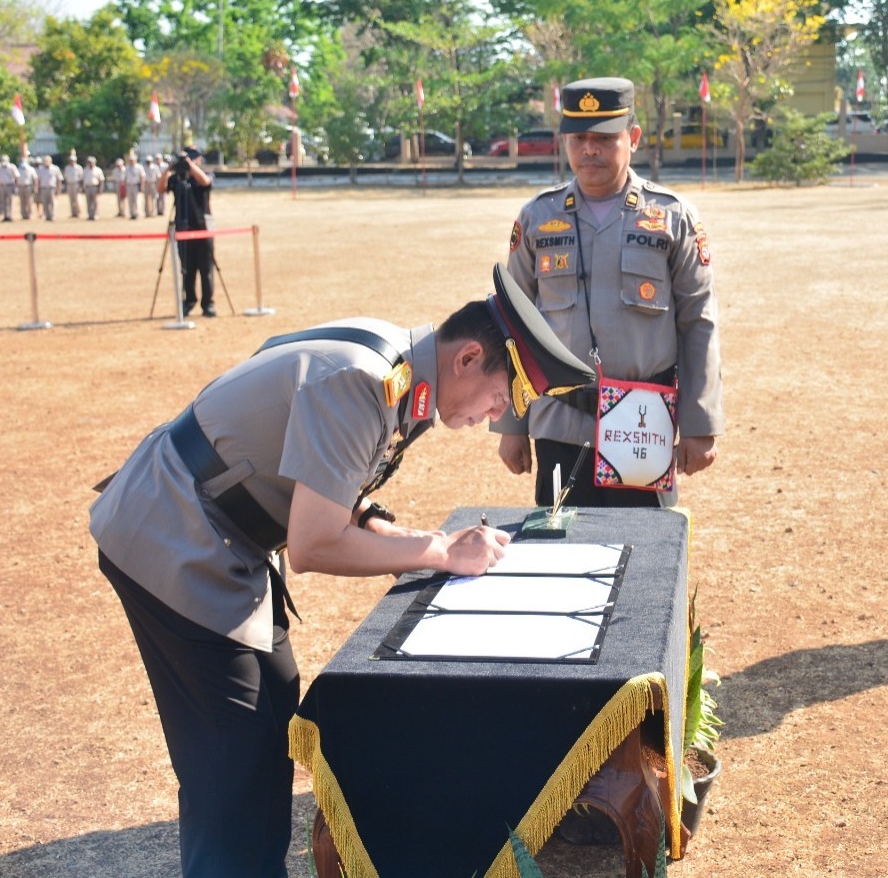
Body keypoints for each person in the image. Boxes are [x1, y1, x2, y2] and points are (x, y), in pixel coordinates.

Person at [91, 265, 594, 878]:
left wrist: (390, 530)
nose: (494, 416)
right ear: (467, 358)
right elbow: (313, 544)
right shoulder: (364, 381)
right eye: (502, 397)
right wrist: (438, 551)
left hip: (217, 536)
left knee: (271, 715)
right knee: (233, 760)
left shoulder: (397, 366)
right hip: (172, 534)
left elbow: (319, 466)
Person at [493, 76, 724, 509]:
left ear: (632, 138)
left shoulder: (672, 218)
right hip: (558, 425)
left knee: (645, 559)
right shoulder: (538, 218)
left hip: (642, 422)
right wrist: (512, 423)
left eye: (603, 138)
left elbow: (698, 323)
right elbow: (512, 325)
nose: (589, 150)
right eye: (578, 138)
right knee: (559, 555)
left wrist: (700, 422)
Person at [160, 146, 215, 316]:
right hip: (183, 229)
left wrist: (190, 165)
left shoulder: (202, 176)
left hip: (202, 229)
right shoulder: (177, 179)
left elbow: (206, 182)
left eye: (192, 158)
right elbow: (160, 189)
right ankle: (189, 301)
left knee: (206, 269)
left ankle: (208, 304)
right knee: (187, 269)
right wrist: (169, 169)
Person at [36, 155, 62, 221]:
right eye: (45, 161)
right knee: (45, 202)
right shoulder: (41, 169)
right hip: (43, 188)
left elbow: (59, 179)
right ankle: (47, 216)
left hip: (52, 188)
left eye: (47, 161)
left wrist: (58, 189)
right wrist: (37, 188)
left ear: (51, 161)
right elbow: (38, 180)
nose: (46, 162)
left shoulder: (55, 168)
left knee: (52, 202)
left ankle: (52, 215)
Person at [124, 151, 146, 219]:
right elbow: (125, 177)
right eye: (130, 160)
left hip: (136, 185)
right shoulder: (127, 167)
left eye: (132, 160)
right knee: (130, 201)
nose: (131, 161)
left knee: (137, 200)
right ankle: (131, 214)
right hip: (129, 185)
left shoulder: (139, 167)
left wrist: (142, 186)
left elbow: (142, 177)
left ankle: (136, 213)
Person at [63, 150, 84, 218]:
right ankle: (73, 212)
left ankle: (78, 212)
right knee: (71, 199)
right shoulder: (67, 168)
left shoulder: (78, 168)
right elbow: (66, 177)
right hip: (69, 184)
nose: (71, 162)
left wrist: (81, 187)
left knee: (77, 199)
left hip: (76, 184)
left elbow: (81, 178)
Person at [83, 155, 105, 220]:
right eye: (89, 162)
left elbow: (101, 180)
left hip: (95, 187)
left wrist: (100, 189)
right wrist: (83, 188)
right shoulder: (85, 170)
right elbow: (83, 179)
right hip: (87, 187)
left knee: (95, 202)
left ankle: (96, 215)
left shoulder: (98, 170)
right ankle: (90, 215)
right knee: (88, 202)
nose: (90, 163)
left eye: (91, 162)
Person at [0, 154, 15, 221]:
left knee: (9, 201)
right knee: (2, 202)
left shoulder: (12, 167)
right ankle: (4, 216)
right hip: (1, 186)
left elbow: (16, 176)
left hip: (10, 186)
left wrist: (16, 187)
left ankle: (9, 215)